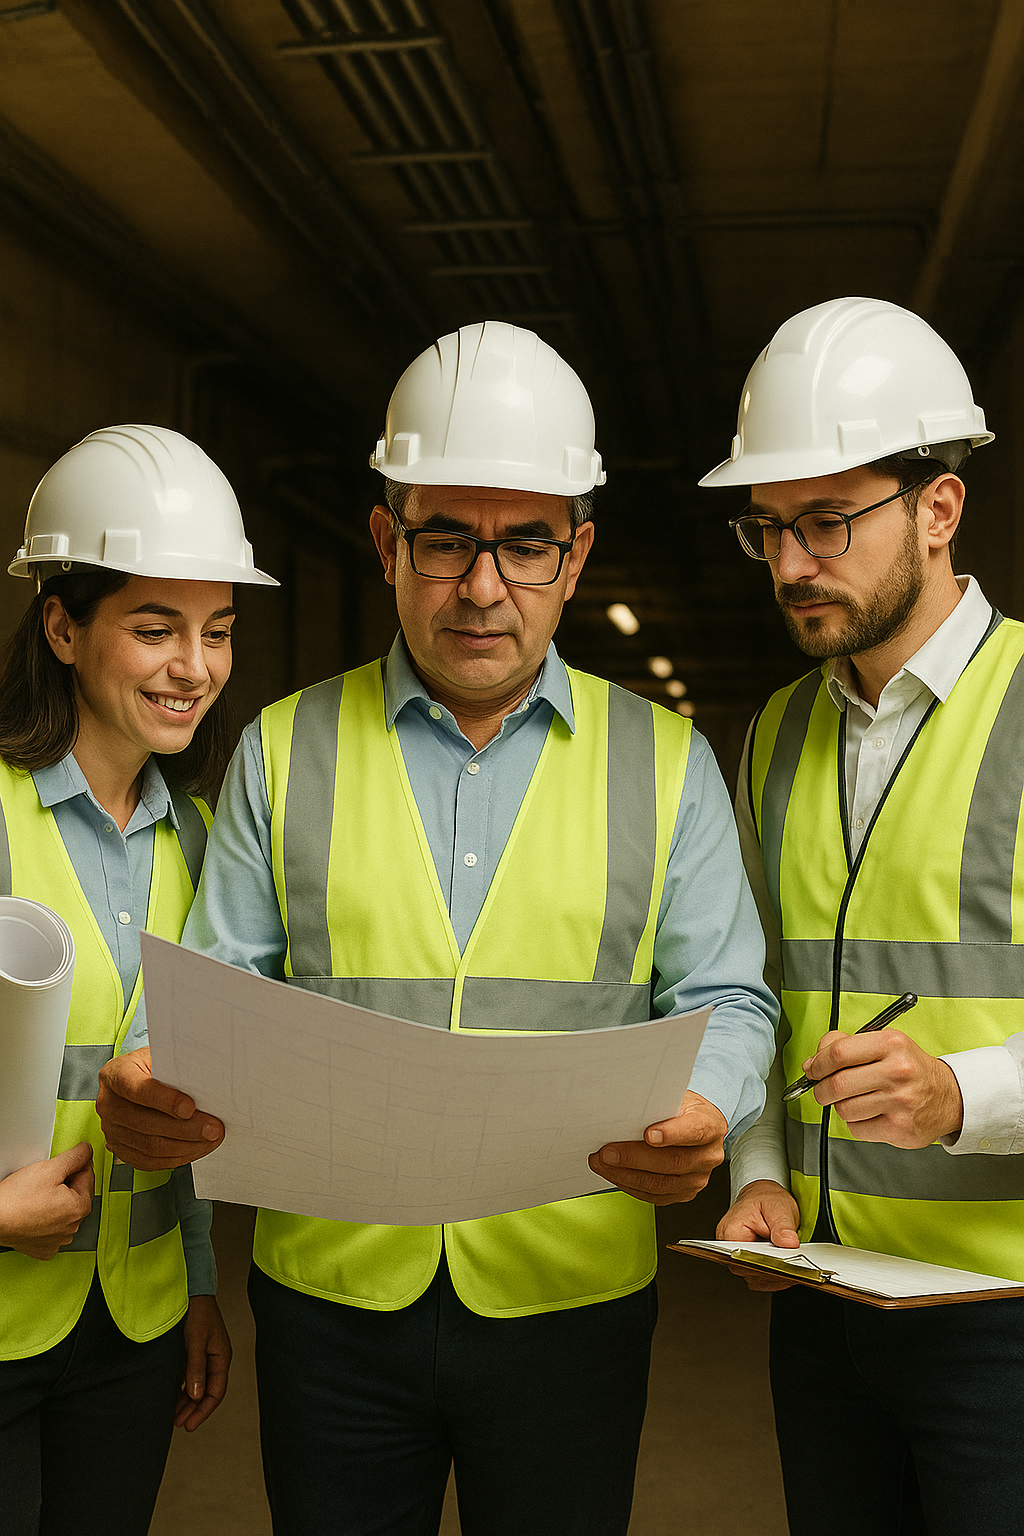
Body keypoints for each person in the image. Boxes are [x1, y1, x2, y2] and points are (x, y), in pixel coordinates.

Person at [96, 322, 776, 1536]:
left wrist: (710, 1105)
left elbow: (729, 996)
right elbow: (207, 984)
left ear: (575, 560)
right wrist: (155, 1073)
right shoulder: (285, 747)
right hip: (329, 1305)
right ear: (385, 541)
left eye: (523, 546)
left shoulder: (667, 763)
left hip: (570, 1300)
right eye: (447, 538)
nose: (481, 586)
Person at [701, 296, 1024, 1536]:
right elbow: (758, 994)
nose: (789, 565)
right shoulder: (778, 734)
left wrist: (960, 1096)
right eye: (769, 528)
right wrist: (764, 1166)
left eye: (827, 522)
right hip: (827, 1307)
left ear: (938, 509)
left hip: (1002, 1317)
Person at [0, 424, 277, 1536]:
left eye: (216, 631)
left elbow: (184, 1097)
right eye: (155, 628)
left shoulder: (203, 846)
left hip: (134, 1325)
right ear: (63, 628)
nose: (194, 667)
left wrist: (201, 1289)